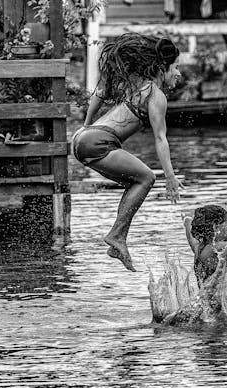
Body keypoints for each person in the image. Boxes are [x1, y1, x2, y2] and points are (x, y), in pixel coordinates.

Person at [73, 33, 185, 272]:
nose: (179, 73)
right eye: (176, 67)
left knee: (136, 181)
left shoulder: (133, 83)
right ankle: (117, 236)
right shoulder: (156, 95)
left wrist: (85, 125)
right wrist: (171, 178)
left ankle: (117, 238)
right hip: (98, 142)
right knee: (147, 177)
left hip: (83, 140)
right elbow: (160, 138)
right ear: (163, 67)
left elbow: (100, 92)